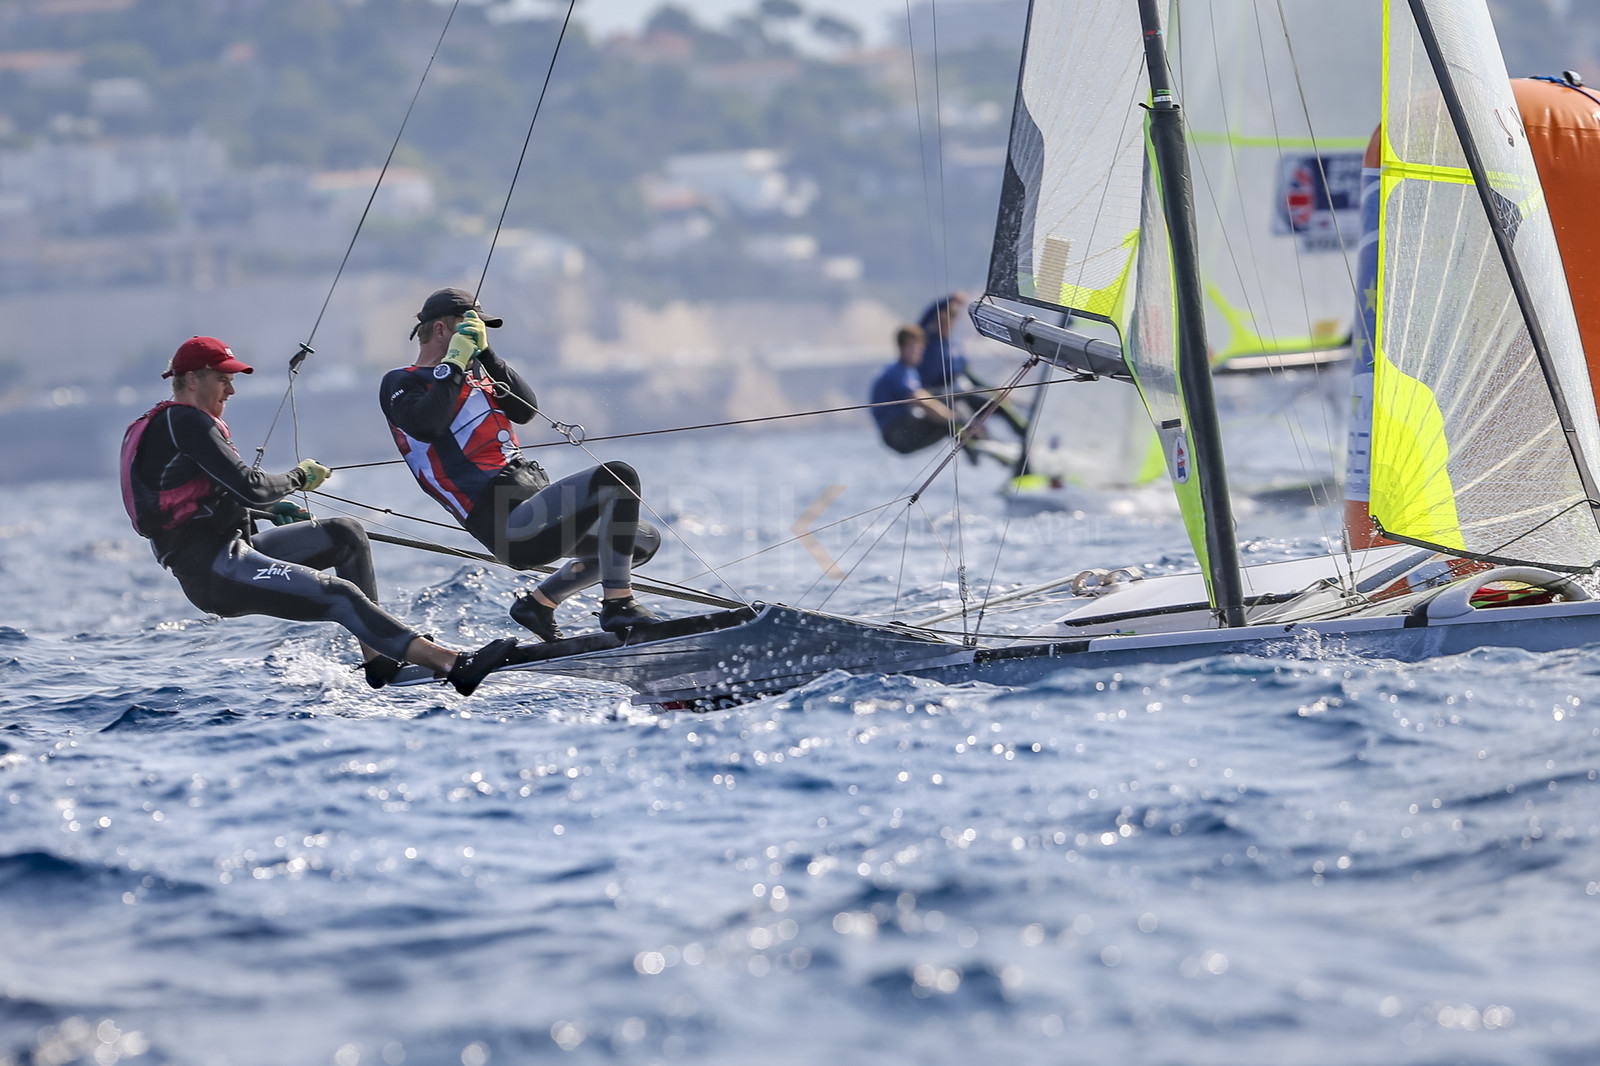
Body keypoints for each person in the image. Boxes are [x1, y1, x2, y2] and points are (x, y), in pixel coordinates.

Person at [120, 336, 515, 695]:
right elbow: (251, 485)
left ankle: (380, 661)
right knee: (339, 595)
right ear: (191, 379)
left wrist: (271, 509)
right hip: (213, 570)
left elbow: (211, 494)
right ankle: (454, 664)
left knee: (345, 535)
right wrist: (298, 478)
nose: (231, 388)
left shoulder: (168, 423)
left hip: (233, 548)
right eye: (222, 378)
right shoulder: (183, 421)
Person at [379, 287, 662, 643]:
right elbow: (427, 424)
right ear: (440, 331)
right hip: (505, 521)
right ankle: (619, 605)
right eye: (473, 328)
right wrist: (453, 362)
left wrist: (486, 354)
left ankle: (539, 605)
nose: (480, 334)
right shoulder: (401, 382)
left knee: (644, 539)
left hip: (533, 505)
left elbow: (526, 410)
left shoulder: (479, 375)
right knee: (617, 477)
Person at [917, 292, 1029, 439]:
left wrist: (992, 391)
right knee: (966, 425)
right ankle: (985, 448)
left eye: (950, 320)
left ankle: (1027, 434)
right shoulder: (925, 341)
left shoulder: (955, 347)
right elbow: (927, 315)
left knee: (997, 403)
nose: (946, 323)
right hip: (939, 395)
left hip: (961, 392)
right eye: (942, 319)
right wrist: (951, 298)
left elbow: (969, 375)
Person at [869, 323, 965, 454]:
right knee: (946, 417)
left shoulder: (910, 371)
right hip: (895, 434)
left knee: (946, 399)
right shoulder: (897, 372)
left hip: (900, 429)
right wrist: (953, 418)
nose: (919, 353)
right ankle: (975, 442)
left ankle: (973, 441)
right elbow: (920, 400)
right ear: (903, 348)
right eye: (915, 349)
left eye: (921, 349)